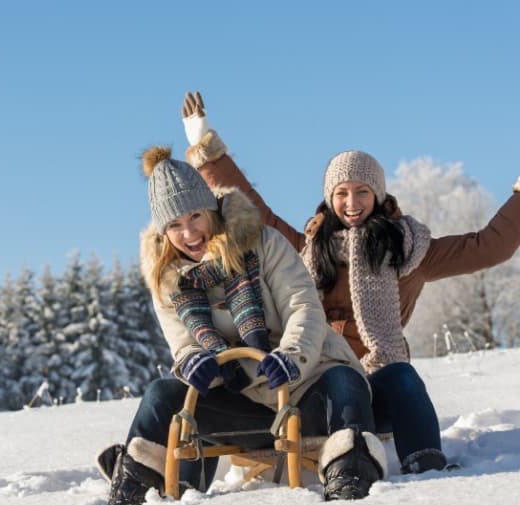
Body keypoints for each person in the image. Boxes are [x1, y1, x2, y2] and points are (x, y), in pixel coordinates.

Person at [179, 91, 520, 474]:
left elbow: (488, 247)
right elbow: (256, 211)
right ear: (329, 198)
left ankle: (426, 465)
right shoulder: (305, 250)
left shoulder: (410, 250)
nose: (352, 202)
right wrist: (204, 146)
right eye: (342, 193)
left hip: (376, 389)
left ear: (378, 195)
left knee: (403, 376)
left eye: (362, 192)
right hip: (316, 385)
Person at [81, 146, 388, 505]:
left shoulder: (263, 243)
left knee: (344, 380)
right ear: (164, 232)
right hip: (241, 403)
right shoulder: (168, 280)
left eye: (195, 216)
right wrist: (194, 360)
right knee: (162, 394)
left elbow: (303, 307)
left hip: (303, 388)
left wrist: (291, 358)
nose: (189, 233)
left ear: (210, 209)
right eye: (175, 225)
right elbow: (183, 344)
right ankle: (127, 499)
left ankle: (351, 484)